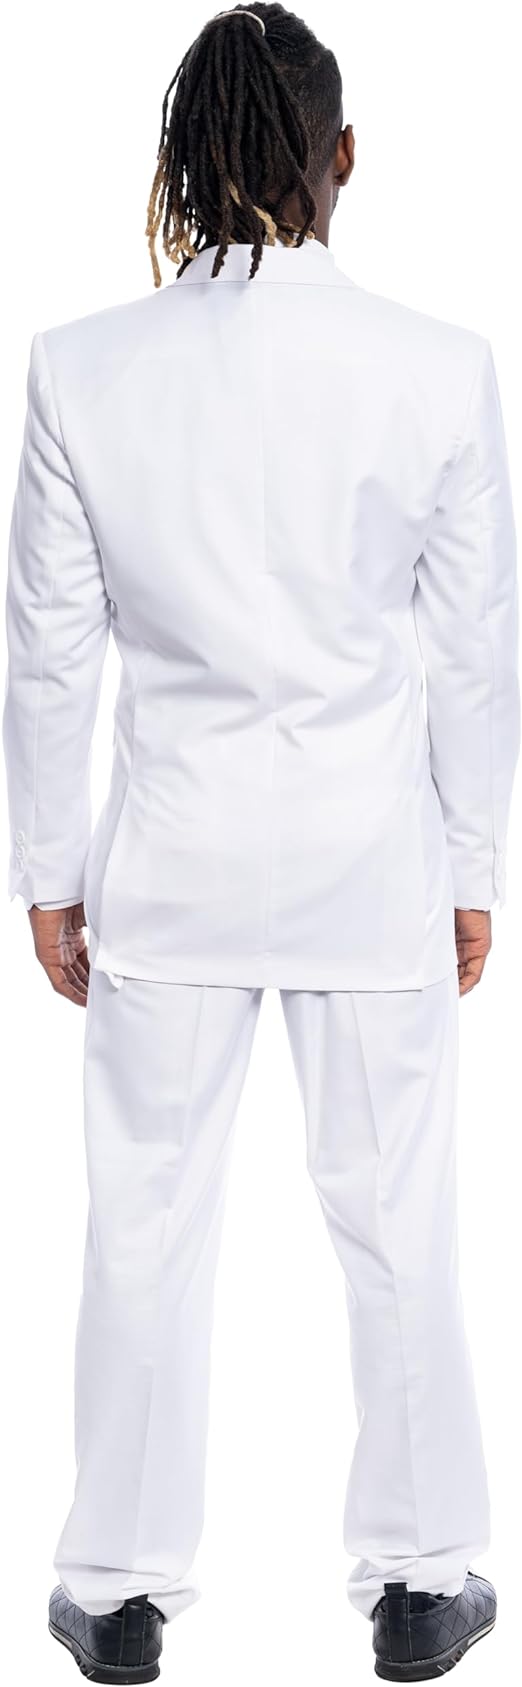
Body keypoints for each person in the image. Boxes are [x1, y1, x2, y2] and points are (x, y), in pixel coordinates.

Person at [2, 4, 519, 1682]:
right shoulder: (437, 365)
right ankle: (422, 1581)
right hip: (370, 866)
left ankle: (115, 1590)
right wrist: (472, 869)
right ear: (342, 157)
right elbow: (473, 652)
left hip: (169, 865)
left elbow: (47, 655)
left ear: (177, 160)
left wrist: (49, 876)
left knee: (143, 1224)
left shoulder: (81, 366)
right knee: (395, 1218)